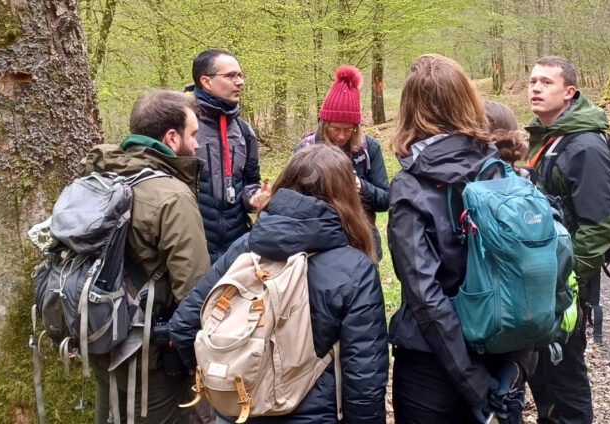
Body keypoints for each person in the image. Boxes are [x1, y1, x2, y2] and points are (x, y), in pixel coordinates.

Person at [169, 144, 389, 423]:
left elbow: (185, 325)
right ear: (348, 195)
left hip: (240, 408)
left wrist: (219, 377)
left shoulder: (245, 248)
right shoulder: (355, 269)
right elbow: (364, 380)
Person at [387, 54, 527, 424]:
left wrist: (473, 382)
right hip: (502, 356)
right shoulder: (502, 170)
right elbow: (535, 271)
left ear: (411, 108)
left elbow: (425, 295)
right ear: (468, 100)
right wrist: (513, 370)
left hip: (431, 369)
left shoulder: (410, 185)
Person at [79, 90, 210, 424]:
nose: (196, 145)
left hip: (97, 333)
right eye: (192, 135)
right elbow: (194, 290)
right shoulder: (172, 196)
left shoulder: (98, 177)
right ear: (171, 137)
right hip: (150, 354)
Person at [525, 55, 610, 424]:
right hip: (544, 278)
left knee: (564, 371)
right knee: (542, 367)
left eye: (546, 82)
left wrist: (569, 279)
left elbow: (599, 226)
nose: (535, 87)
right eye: (533, 81)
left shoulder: (586, 146)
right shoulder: (546, 138)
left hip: (565, 282)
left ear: (569, 92)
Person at [295, 64, 389, 259]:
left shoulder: (369, 149)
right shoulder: (305, 149)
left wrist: (361, 186)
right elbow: (291, 200)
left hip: (362, 243)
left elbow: (386, 199)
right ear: (324, 123)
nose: (341, 136)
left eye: (349, 130)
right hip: (317, 245)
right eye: (335, 128)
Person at [190, 48, 267, 264]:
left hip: (237, 247)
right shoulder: (181, 126)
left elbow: (251, 182)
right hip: (193, 248)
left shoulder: (244, 131)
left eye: (240, 75)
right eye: (231, 76)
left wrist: (255, 198)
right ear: (206, 81)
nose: (240, 82)